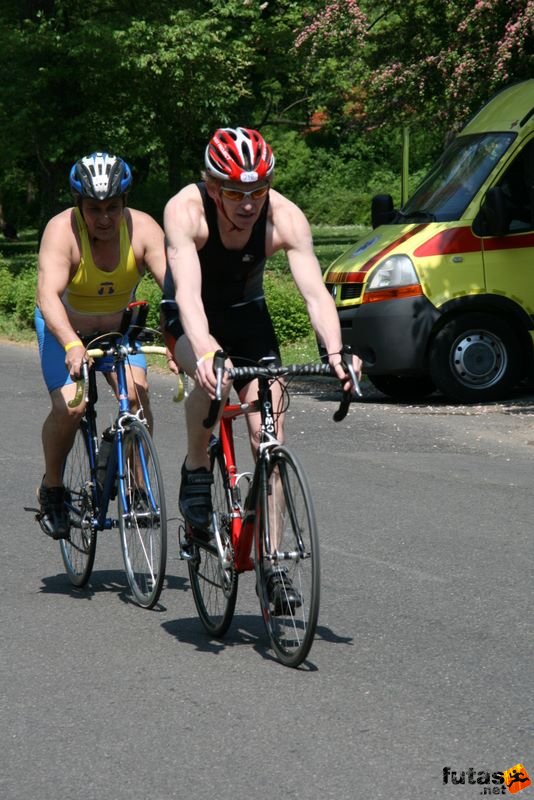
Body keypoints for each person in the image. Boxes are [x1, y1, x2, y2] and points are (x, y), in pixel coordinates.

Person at [161, 127, 361, 606]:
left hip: (248, 317)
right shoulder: (184, 211)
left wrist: (335, 353)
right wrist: (206, 351)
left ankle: (272, 564)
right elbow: (188, 294)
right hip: (191, 316)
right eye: (235, 192)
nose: (249, 203)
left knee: (267, 439)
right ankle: (195, 468)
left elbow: (315, 295)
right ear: (213, 188)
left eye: (258, 191)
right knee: (212, 380)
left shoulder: (286, 217)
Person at [35, 151, 167, 539]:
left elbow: (175, 289)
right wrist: (72, 344)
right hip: (64, 331)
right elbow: (47, 296)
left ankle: (138, 486)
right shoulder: (61, 232)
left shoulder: (144, 229)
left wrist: (178, 335)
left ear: (125, 203)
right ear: (79, 206)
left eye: (113, 207)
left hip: (118, 332)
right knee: (72, 408)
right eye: (94, 209)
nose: (105, 218)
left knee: (139, 394)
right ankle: (53, 489)